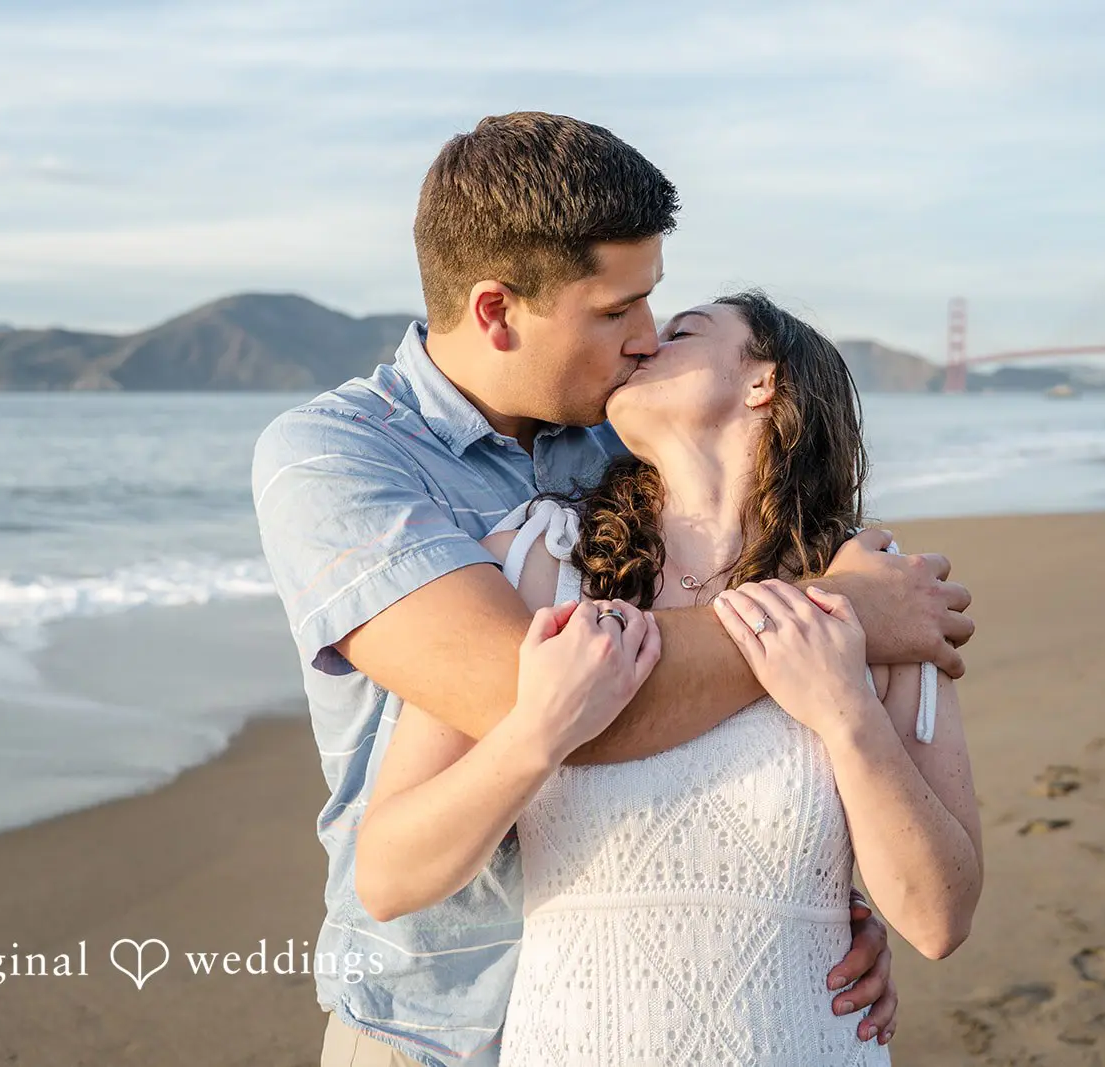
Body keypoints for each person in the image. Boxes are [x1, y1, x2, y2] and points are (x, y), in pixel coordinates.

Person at [253, 113, 975, 1067]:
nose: (642, 341)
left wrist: (817, 893)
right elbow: (548, 700)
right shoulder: (340, 458)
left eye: (658, 310)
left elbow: (911, 887)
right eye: (616, 312)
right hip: (433, 1018)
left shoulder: (620, 446)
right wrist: (841, 620)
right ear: (497, 311)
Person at [355, 291, 983, 1065]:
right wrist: (537, 735)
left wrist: (847, 713)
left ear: (764, 382)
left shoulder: (877, 597)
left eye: (682, 330)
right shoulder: (535, 562)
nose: (644, 342)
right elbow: (386, 875)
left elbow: (938, 918)